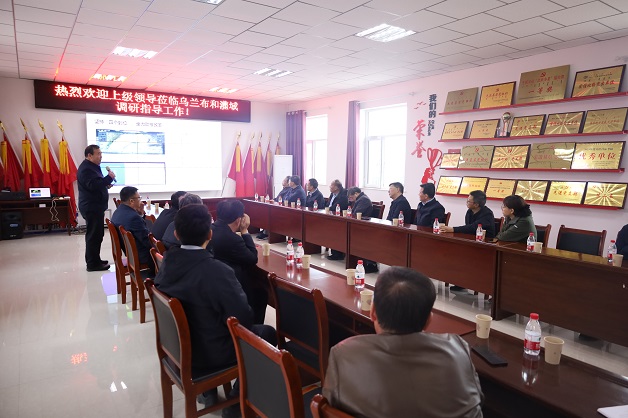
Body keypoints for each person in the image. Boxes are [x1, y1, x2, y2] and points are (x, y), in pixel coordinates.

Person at [155, 204, 276, 417]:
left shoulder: (167, 262)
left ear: (176, 234)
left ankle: (209, 392)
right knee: (267, 333)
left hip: (178, 349)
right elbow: (244, 320)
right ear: (209, 234)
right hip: (209, 353)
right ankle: (235, 403)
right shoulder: (217, 271)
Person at [323, 267, 483, 418]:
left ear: (373, 312)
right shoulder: (459, 349)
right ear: (429, 320)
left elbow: (329, 406)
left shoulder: (343, 354)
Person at [210, 199, 268, 323]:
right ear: (238, 220)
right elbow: (252, 258)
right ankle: (253, 328)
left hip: (214, 279)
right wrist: (245, 231)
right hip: (232, 282)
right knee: (261, 292)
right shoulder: (232, 239)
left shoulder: (210, 229)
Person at [77, 144, 115, 272]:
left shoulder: (92, 167)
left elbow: (97, 183)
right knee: (94, 235)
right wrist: (109, 178)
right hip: (91, 207)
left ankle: (96, 259)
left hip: (96, 207)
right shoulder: (86, 169)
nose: (101, 156)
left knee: (98, 235)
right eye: (98, 154)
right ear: (89, 155)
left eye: (101, 153)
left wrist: (106, 184)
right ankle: (92, 264)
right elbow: (92, 185)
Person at [111, 186, 155, 276]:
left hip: (130, 252)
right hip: (141, 255)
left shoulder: (118, 211)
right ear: (131, 201)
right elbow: (147, 241)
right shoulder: (133, 218)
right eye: (139, 198)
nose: (140, 200)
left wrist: (141, 215)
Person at [327, 180, 349, 261]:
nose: (330, 187)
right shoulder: (332, 194)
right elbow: (328, 205)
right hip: (330, 216)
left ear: (336, 187)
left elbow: (336, 207)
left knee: (334, 231)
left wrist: (328, 209)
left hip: (340, 220)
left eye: (331, 185)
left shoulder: (343, 196)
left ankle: (337, 254)